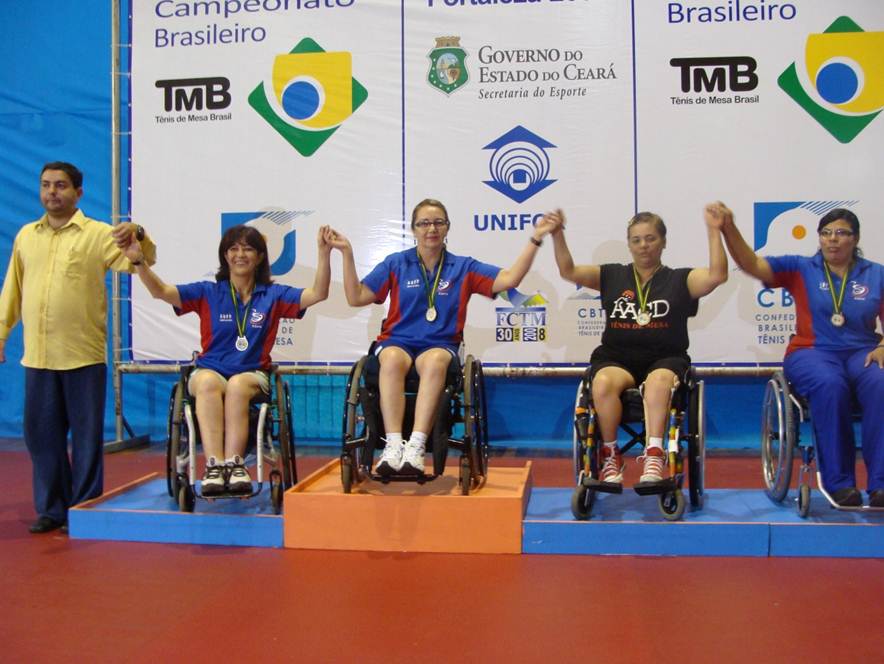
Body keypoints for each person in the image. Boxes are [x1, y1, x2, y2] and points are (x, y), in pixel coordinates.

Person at [330, 198, 560, 476]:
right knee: (389, 358)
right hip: (397, 342)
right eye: (424, 223)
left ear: (447, 227)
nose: (431, 228)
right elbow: (355, 297)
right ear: (413, 229)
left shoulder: (463, 267)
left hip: (440, 344)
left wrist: (535, 238)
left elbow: (509, 280)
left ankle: (415, 448)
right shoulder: (396, 263)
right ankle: (392, 447)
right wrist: (346, 254)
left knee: (436, 361)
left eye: (438, 222)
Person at [0, 161, 156, 534]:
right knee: (41, 439)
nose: (52, 192)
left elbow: (139, 262)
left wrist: (139, 238)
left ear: (78, 193)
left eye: (61, 186)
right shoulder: (26, 236)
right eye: (46, 185)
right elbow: (13, 289)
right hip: (38, 357)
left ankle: (84, 508)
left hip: (82, 356)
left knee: (86, 439)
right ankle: (52, 510)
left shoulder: (99, 234)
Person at [122, 223, 335, 495]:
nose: (240, 254)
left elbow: (318, 294)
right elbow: (161, 291)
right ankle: (214, 466)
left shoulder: (273, 295)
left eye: (248, 249)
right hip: (210, 370)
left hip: (253, 374)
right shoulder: (208, 292)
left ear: (259, 257)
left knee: (236, 385)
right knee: (208, 382)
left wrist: (323, 253)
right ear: (225, 256)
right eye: (233, 248)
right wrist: (139, 262)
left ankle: (235, 465)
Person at [547, 203, 729, 486]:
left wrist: (715, 230)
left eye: (651, 238)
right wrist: (557, 234)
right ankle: (610, 456)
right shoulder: (611, 275)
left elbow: (717, 275)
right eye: (637, 240)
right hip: (618, 358)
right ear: (629, 245)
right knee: (603, 382)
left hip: (665, 358)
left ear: (663, 242)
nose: (644, 245)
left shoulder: (681, 279)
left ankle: (654, 455)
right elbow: (568, 271)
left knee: (658, 383)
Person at [720, 207, 884, 507]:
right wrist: (728, 228)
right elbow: (751, 263)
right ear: (819, 238)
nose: (833, 240)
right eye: (826, 233)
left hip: (862, 351)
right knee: (830, 385)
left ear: (856, 238)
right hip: (812, 352)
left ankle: (880, 485)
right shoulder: (800, 268)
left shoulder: (877, 274)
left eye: (842, 233)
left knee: (881, 383)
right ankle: (839, 484)